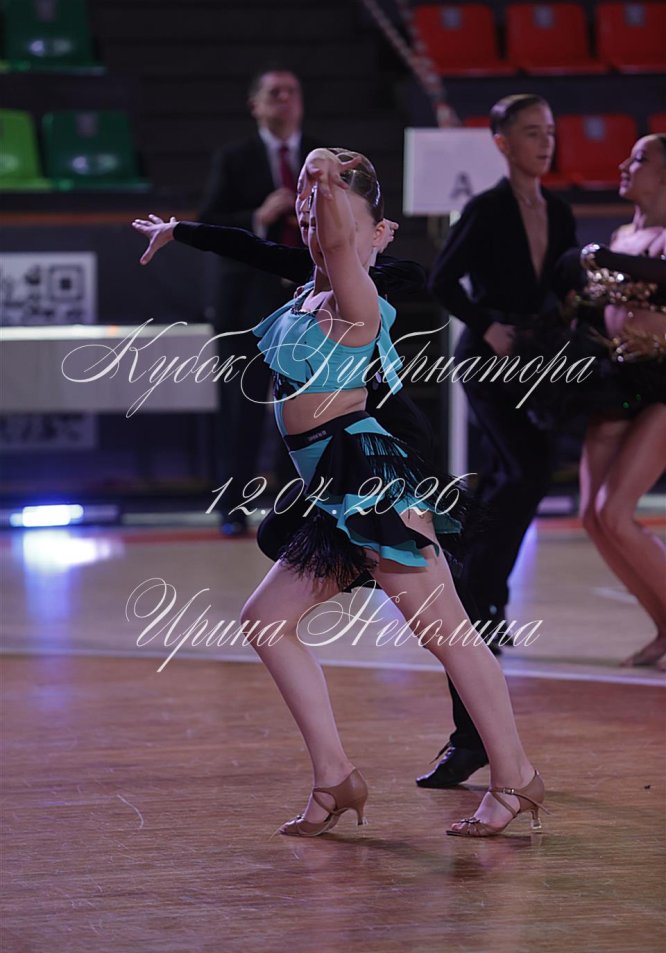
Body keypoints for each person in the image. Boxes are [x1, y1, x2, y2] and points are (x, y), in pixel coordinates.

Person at [157, 145, 544, 839]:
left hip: (372, 484)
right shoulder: (308, 292)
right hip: (330, 490)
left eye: (331, 214)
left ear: (377, 233)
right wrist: (201, 225)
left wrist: (319, 170)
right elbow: (292, 243)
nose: (317, 223)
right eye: (307, 213)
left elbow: (337, 245)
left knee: (448, 634)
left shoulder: (356, 298)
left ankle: (515, 778)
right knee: (266, 620)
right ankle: (335, 778)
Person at [424, 94, 578, 789]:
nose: (544, 143)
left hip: (537, 360)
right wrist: (486, 322)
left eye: (550, 132)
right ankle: (483, 587)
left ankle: (480, 586)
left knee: (506, 481)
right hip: (488, 362)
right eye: (530, 133)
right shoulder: (486, 209)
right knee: (530, 469)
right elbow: (440, 279)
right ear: (501, 142)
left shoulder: (561, 210)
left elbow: (562, 285)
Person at [198, 67, 321, 536]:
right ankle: (233, 508)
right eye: (275, 93)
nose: (285, 99)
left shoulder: (322, 156)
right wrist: (258, 216)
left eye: (292, 92)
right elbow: (209, 221)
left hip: (307, 299)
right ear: (256, 105)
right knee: (241, 407)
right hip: (247, 301)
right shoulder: (234, 158)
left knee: (305, 407)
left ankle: (297, 508)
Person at [578, 134, 666, 669]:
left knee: (617, 510)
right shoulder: (622, 235)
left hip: (663, 381)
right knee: (593, 516)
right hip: (616, 377)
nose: (625, 165)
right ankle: (662, 627)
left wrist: (601, 259)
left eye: (640, 159)